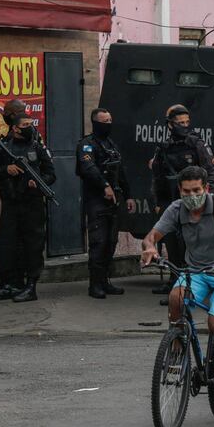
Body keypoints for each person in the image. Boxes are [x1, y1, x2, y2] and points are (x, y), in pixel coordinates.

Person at [141, 165, 214, 403]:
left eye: (196, 191)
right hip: (195, 272)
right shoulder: (176, 209)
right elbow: (152, 236)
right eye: (186, 191)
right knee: (175, 298)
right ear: (180, 191)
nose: (191, 196)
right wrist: (150, 247)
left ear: (206, 188)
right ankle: (177, 353)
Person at [0, 113, 56, 303]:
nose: (30, 127)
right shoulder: (2, 148)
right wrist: (5, 171)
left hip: (32, 205)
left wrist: (38, 183)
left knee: (33, 246)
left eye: (31, 124)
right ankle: (9, 284)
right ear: (15, 128)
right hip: (10, 204)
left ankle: (30, 286)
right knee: (6, 245)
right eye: (25, 124)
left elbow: (51, 174)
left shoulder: (37, 147)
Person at [150, 104, 214, 295]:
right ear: (170, 125)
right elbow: (158, 177)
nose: (184, 125)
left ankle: (190, 286)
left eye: (187, 122)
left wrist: (205, 199)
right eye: (180, 123)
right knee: (172, 243)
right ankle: (175, 281)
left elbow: (212, 174)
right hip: (171, 201)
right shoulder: (164, 147)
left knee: (190, 244)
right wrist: (158, 203)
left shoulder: (196, 144)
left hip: (193, 202)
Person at [76, 108, 136, 299]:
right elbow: (88, 168)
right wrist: (104, 186)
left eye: (110, 120)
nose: (109, 124)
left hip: (114, 201)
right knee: (99, 242)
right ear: (95, 123)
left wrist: (129, 196)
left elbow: (121, 172)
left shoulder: (111, 144)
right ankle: (94, 285)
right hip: (96, 201)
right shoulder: (87, 145)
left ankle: (105, 281)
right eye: (105, 121)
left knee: (111, 242)